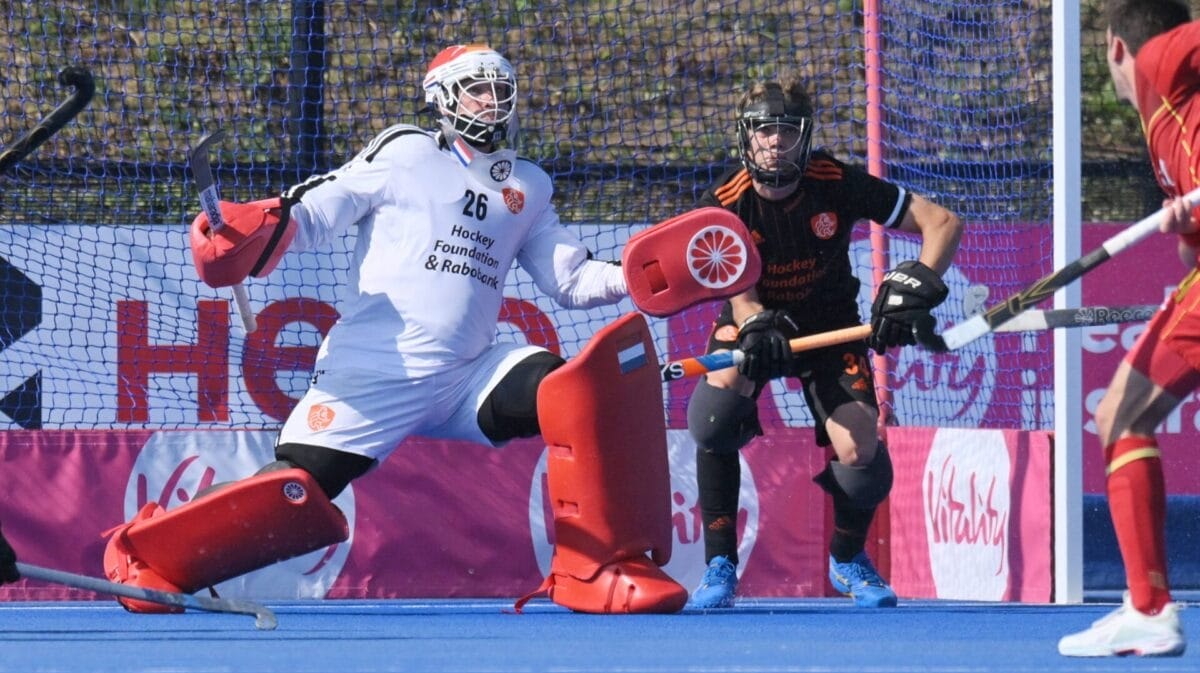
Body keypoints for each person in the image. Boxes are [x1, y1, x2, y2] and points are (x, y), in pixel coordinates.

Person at [101, 43, 699, 615]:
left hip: (469, 376)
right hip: (373, 373)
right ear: (442, 98)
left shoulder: (530, 185)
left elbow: (570, 280)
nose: (491, 100)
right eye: (476, 89)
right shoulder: (405, 151)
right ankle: (150, 554)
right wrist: (252, 231)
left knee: (572, 391)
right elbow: (317, 209)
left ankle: (598, 570)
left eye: (499, 89)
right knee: (292, 490)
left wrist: (638, 275)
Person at [684, 77, 962, 609]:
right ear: (745, 137)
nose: (775, 142)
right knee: (714, 417)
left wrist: (917, 289)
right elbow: (740, 297)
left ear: (805, 137)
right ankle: (720, 564)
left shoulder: (834, 181)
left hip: (831, 326)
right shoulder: (722, 203)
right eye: (763, 130)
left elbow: (943, 223)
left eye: (787, 131)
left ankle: (847, 556)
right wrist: (756, 323)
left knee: (860, 450)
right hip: (756, 324)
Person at [1058, 0, 1198, 658]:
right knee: (1120, 415)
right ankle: (1146, 604)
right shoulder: (1169, 124)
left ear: (1116, 48)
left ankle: (1150, 608)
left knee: (1122, 415)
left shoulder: (1160, 61)